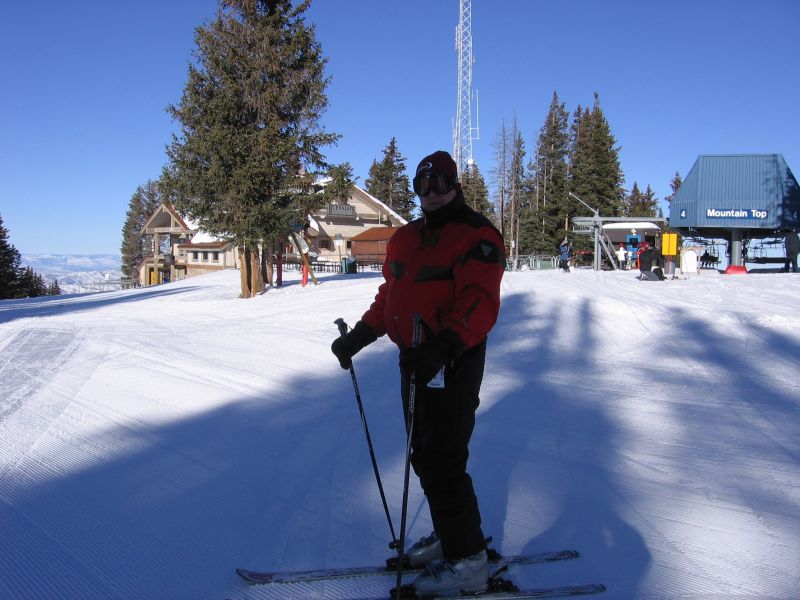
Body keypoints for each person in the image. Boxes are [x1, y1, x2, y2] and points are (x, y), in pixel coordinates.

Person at [331, 150, 505, 597]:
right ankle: (452, 536)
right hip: (414, 362)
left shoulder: (477, 235)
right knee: (424, 455)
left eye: (440, 183)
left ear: (455, 185)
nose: (431, 193)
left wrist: (443, 347)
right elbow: (392, 295)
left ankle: (468, 560)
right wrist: (359, 337)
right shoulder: (406, 238)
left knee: (444, 459)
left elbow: (479, 301)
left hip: (453, 362)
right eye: (422, 185)